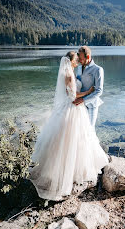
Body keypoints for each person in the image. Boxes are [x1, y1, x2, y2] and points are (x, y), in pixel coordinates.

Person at [30, 51, 109, 202]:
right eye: (76, 60)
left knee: (78, 137)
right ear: (71, 61)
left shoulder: (72, 71)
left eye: (79, 59)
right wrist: (88, 92)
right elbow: (72, 96)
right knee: (71, 138)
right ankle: (68, 171)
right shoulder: (68, 74)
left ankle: (74, 166)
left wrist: (86, 94)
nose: (78, 62)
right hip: (73, 107)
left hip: (75, 107)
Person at [73, 46, 104, 128]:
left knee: (90, 129)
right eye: (78, 58)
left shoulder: (98, 69)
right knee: (80, 129)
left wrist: (83, 100)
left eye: (81, 58)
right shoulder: (79, 68)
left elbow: (99, 91)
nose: (79, 61)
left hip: (91, 105)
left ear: (88, 57)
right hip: (79, 105)